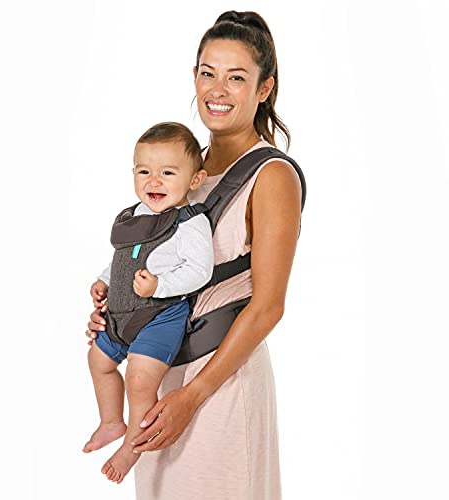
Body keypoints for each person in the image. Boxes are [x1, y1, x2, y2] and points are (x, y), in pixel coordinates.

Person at [86, 10, 303, 499]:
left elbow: (268, 306)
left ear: (264, 88)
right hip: (160, 379)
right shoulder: (179, 170)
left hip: (220, 386)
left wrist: (194, 395)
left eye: (236, 77)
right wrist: (117, 311)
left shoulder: (272, 177)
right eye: (208, 73)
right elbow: (150, 261)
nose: (217, 90)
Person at [84, 122, 214, 484]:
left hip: (161, 315)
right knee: (98, 360)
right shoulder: (136, 215)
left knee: (140, 379)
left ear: (195, 179)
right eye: (144, 172)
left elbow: (200, 271)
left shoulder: (190, 223)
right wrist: (104, 281)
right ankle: (111, 421)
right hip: (122, 312)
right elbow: (123, 260)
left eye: (167, 173)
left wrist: (160, 286)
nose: (154, 181)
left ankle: (132, 445)